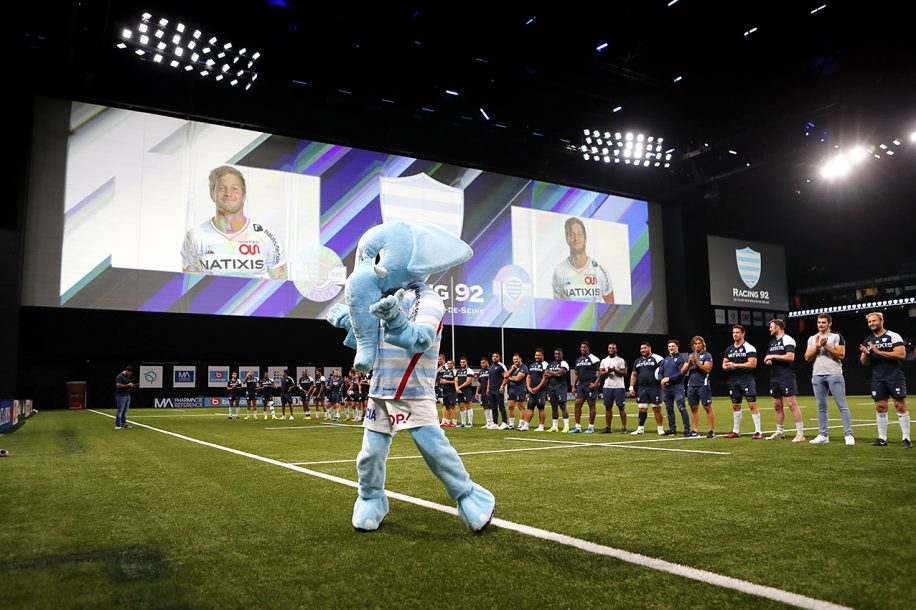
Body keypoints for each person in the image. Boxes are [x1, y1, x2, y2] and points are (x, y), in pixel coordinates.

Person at [181, 165, 286, 279]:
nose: (228, 193)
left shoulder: (268, 237)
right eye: (221, 188)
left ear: (244, 195)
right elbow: (189, 290)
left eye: (234, 188)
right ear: (212, 195)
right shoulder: (195, 236)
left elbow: (283, 286)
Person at [859, 312, 911, 448]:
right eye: (869, 322)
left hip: (895, 376)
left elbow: (901, 354)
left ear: (882, 321)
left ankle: (906, 438)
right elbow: (864, 362)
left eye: (874, 321)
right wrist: (866, 354)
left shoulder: (893, 336)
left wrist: (879, 351)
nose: (871, 324)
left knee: (900, 405)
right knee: (880, 407)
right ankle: (882, 438)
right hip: (877, 378)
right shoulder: (868, 340)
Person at [804, 313, 854, 444]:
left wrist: (825, 346)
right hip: (817, 375)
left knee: (842, 405)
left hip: (834, 374)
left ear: (829, 323)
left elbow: (841, 354)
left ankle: (848, 435)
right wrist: (817, 346)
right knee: (821, 407)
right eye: (819, 322)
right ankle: (823, 435)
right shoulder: (812, 338)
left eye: (823, 322)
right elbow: (807, 357)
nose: (820, 325)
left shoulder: (837, 336)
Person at [551, 217, 614, 303]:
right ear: (567, 239)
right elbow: (557, 308)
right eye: (571, 234)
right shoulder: (559, 271)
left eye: (579, 234)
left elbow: (611, 307)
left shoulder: (600, 271)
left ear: (585, 239)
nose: (576, 238)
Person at [764, 319, 806, 442]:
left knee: (792, 404)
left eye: (771, 326)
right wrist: (768, 360)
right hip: (774, 377)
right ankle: (780, 432)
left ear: (778, 327)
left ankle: (800, 434)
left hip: (786, 376)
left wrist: (773, 356)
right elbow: (767, 357)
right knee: (777, 406)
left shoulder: (788, 339)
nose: (769, 329)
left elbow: (790, 356)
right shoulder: (772, 342)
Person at [722, 325, 762, 439]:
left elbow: (753, 364)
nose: (735, 334)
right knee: (735, 405)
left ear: (743, 334)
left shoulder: (749, 347)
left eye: (737, 332)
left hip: (747, 380)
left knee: (752, 404)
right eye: (733, 332)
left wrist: (736, 365)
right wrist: (728, 367)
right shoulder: (729, 349)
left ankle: (758, 431)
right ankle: (736, 431)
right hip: (734, 381)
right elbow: (723, 365)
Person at [681, 336, 715, 438]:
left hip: (703, 385)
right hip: (691, 385)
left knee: (707, 407)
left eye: (699, 343)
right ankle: (695, 430)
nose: (697, 345)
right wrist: (688, 364)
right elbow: (682, 372)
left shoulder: (707, 355)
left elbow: (707, 369)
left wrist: (696, 362)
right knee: (693, 407)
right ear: (692, 346)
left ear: (703, 344)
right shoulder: (690, 356)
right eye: (695, 344)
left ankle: (711, 431)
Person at [629, 342, 664, 435]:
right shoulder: (638, 361)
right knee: (642, 409)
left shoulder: (658, 358)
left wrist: (663, 380)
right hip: (642, 388)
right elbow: (634, 375)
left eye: (645, 348)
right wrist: (631, 387)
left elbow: (665, 369)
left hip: (655, 388)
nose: (643, 350)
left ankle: (660, 429)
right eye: (641, 349)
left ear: (649, 348)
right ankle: (640, 429)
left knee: (657, 408)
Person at [659, 340, 692, 436]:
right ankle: (672, 429)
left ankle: (687, 430)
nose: (671, 348)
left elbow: (681, 374)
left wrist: (668, 379)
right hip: (666, 388)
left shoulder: (681, 358)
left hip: (677, 387)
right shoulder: (665, 360)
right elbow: (660, 372)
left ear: (677, 347)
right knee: (669, 409)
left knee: (681, 408)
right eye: (669, 346)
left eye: (673, 346)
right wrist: (663, 380)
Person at [570, 341, 601, 433]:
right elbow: (576, 373)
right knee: (577, 404)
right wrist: (573, 386)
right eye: (581, 347)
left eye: (585, 347)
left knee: (591, 405)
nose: (583, 349)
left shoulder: (594, 358)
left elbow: (601, 372)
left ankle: (590, 427)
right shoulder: (578, 360)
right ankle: (577, 427)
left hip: (590, 385)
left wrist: (596, 383)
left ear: (588, 348)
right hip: (581, 385)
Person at [598, 343, 628, 434]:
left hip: (619, 386)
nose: (611, 349)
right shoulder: (604, 360)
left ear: (616, 349)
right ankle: (608, 427)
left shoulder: (621, 360)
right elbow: (601, 373)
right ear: (608, 349)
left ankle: (624, 428)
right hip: (607, 386)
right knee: (608, 407)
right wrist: (608, 371)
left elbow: (624, 373)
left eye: (613, 348)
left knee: (621, 407)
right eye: (610, 348)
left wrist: (615, 370)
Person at [545, 348, 572, 432]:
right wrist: (554, 373)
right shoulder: (551, 364)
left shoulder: (564, 363)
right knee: (553, 407)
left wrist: (551, 373)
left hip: (561, 388)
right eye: (555, 354)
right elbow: (545, 374)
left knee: (562, 406)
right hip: (551, 388)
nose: (557, 355)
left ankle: (566, 427)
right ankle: (554, 427)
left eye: (558, 354)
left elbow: (560, 373)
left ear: (562, 354)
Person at [522, 348, 548, 432]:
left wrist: (538, 387)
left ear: (542, 356)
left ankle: (541, 426)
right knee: (530, 407)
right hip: (532, 390)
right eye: (536, 355)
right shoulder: (532, 365)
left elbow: (545, 378)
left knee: (541, 407)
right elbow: (528, 376)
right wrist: (529, 387)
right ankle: (526, 425)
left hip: (541, 390)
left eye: (538, 355)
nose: (537, 356)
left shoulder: (545, 365)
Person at [505, 353, 529, 430]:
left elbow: (517, 379)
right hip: (512, 389)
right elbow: (505, 376)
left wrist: (510, 377)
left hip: (520, 389)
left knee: (520, 406)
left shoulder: (524, 367)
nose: (515, 361)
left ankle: (521, 424)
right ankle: (511, 424)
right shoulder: (513, 367)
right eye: (514, 359)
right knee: (510, 406)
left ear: (520, 359)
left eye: (517, 359)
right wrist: (512, 369)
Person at [486, 353, 509, 429]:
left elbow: (506, 377)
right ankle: (495, 423)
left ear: (499, 358)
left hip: (499, 389)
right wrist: (488, 388)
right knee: (493, 407)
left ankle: (504, 422)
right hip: (492, 390)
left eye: (496, 357)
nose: (494, 358)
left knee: (501, 406)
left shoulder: (501, 366)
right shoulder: (490, 367)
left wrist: (502, 386)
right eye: (493, 356)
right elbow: (489, 378)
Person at [440, 359, 459, 428]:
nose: (449, 365)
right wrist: (441, 381)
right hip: (445, 391)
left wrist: (446, 381)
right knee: (447, 406)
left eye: (450, 363)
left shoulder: (455, 372)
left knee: (453, 406)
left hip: (452, 392)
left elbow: (456, 381)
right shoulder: (445, 372)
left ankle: (454, 422)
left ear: (453, 364)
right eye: (448, 363)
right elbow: (442, 380)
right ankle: (447, 421)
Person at [456, 357, 474, 428]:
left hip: (467, 391)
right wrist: (457, 388)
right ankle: (463, 423)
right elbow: (456, 381)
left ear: (466, 362)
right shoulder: (458, 371)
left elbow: (468, 382)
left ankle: (470, 423)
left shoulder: (469, 370)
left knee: (468, 406)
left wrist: (459, 387)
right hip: (459, 391)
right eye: (461, 362)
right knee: (461, 407)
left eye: (463, 362)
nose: (462, 363)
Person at [476, 357, 492, 428]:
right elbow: (479, 383)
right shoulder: (481, 371)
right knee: (485, 406)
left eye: (483, 363)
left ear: (487, 363)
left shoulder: (490, 370)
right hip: (482, 392)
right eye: (481, 363)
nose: (482, 364)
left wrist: (488, 388)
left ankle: (492, 422)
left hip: (489, 391)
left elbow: (490, 380)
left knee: (490, 406)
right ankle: (488, 422)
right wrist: (477, 392)